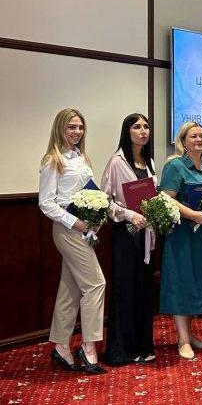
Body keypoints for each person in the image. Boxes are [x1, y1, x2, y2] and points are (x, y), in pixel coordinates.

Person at [39, 108, 107, 374]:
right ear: (60, 128)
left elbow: (91, 194)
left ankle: (60, 347)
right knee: (96, 284)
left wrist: (100, 215)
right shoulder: (52, 160)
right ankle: (88, 348)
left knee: (70, 289)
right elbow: (46, 203)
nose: (77, 132)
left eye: (80, 127)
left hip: (84, 230)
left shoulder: (82, 157)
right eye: (71, 127)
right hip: (68, 231)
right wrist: (75, 222)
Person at [100, 113, 156, 365]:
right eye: (137, 127)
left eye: (146, 127)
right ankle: (121, 350)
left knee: (143, 289)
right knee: (125, 289)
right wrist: (128, 214)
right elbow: (105, 200)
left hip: (147, 232)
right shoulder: (116, 161)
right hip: (126, 233)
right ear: (127, 132)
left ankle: (142, 347)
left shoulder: (149, 161)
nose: (143, 131)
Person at [159, 122, 202, 360]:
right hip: (182, 234)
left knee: (196, 283)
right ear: (183, 141)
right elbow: (166, 198)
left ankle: (191, 335)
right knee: (182, 282)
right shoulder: (175, 165)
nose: (199, 139)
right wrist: (193, 215)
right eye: (193, 136)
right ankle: (182, 339)